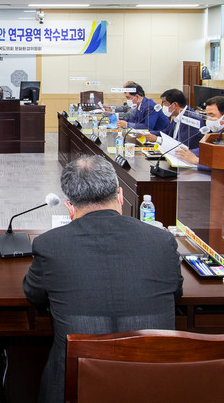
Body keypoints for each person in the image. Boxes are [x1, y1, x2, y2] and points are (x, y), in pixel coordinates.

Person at [23, 155, 183, 403]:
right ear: (120, 195)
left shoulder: (49, 245)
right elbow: (176, 292)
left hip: (75, 388)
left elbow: (33, 293)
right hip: (152, 387)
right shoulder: (162, 241)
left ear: (70, 207)